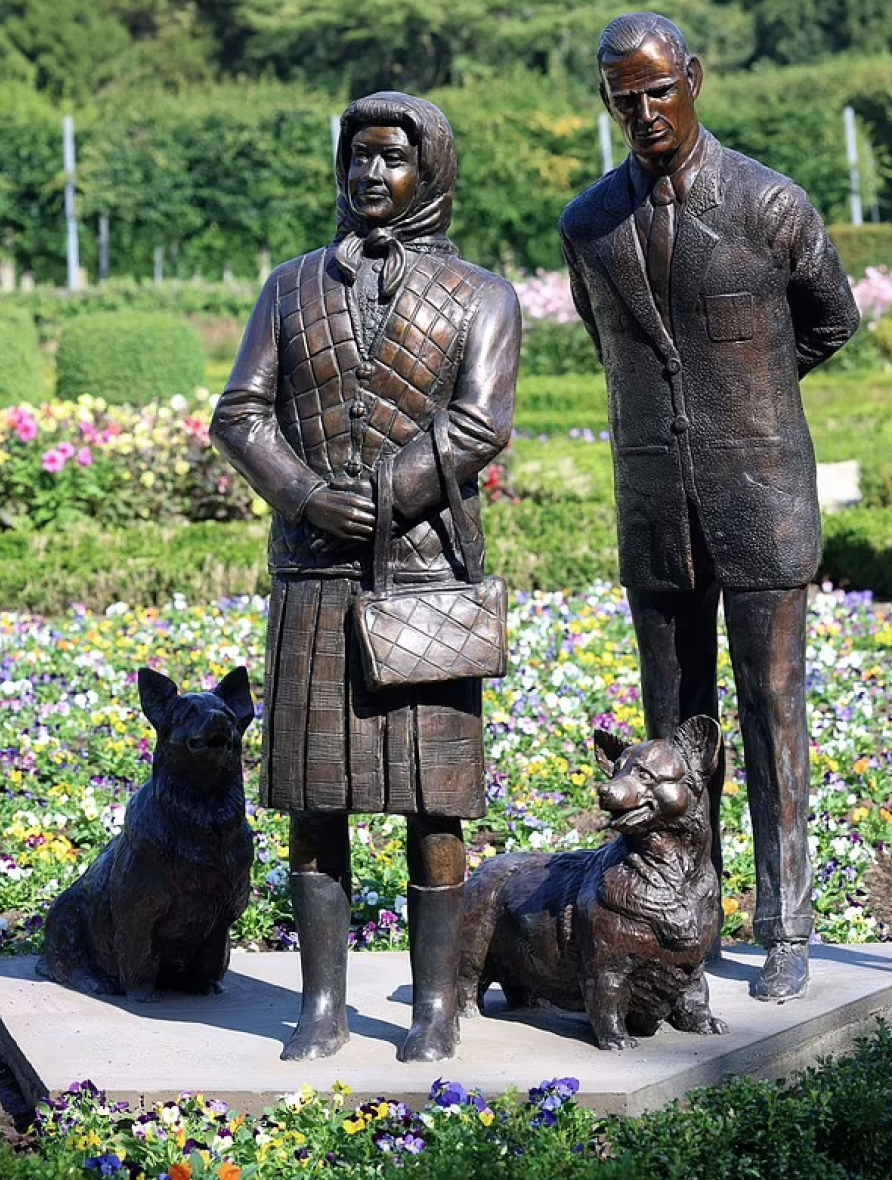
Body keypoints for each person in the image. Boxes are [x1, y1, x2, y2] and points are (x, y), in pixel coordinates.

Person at [211, 92, 519, 1060]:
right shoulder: (289, 284)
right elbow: (241, 413)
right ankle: (322, 1005)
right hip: (313, 571)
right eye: (356, 158)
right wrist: (304, 496)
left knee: (435, 798)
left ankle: (432, 1008)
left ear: (430, 170)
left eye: (389, 158)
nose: (369, 175)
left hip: (424, 574)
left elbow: (477, 424)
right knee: (317, 796)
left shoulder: (481, 294)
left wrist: (382, 496)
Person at [560, 12, 859, 1001]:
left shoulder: (770, 203)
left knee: (772, 713)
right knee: (668, 736)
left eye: (656, 89)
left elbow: (831, 320)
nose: (642, 111)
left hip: (761, 494)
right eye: (622, 96)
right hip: (653, 505)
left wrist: (755, 397)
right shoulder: (589, 223)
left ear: (693, 78)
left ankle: (785, 924)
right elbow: (618, 356)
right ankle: (685, 923)